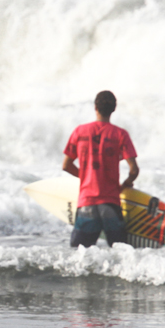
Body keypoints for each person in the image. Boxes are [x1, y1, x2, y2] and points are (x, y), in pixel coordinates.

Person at [62, 90, 139, 248]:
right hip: (111, 204)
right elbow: (134, 170)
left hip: (86, 204)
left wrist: (85, 177)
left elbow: (66, 165)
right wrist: (125, 185)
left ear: (95, 107)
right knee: (121, 258)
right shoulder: (120, 134)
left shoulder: (79, 132)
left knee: (77, 258)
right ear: (114, 110)